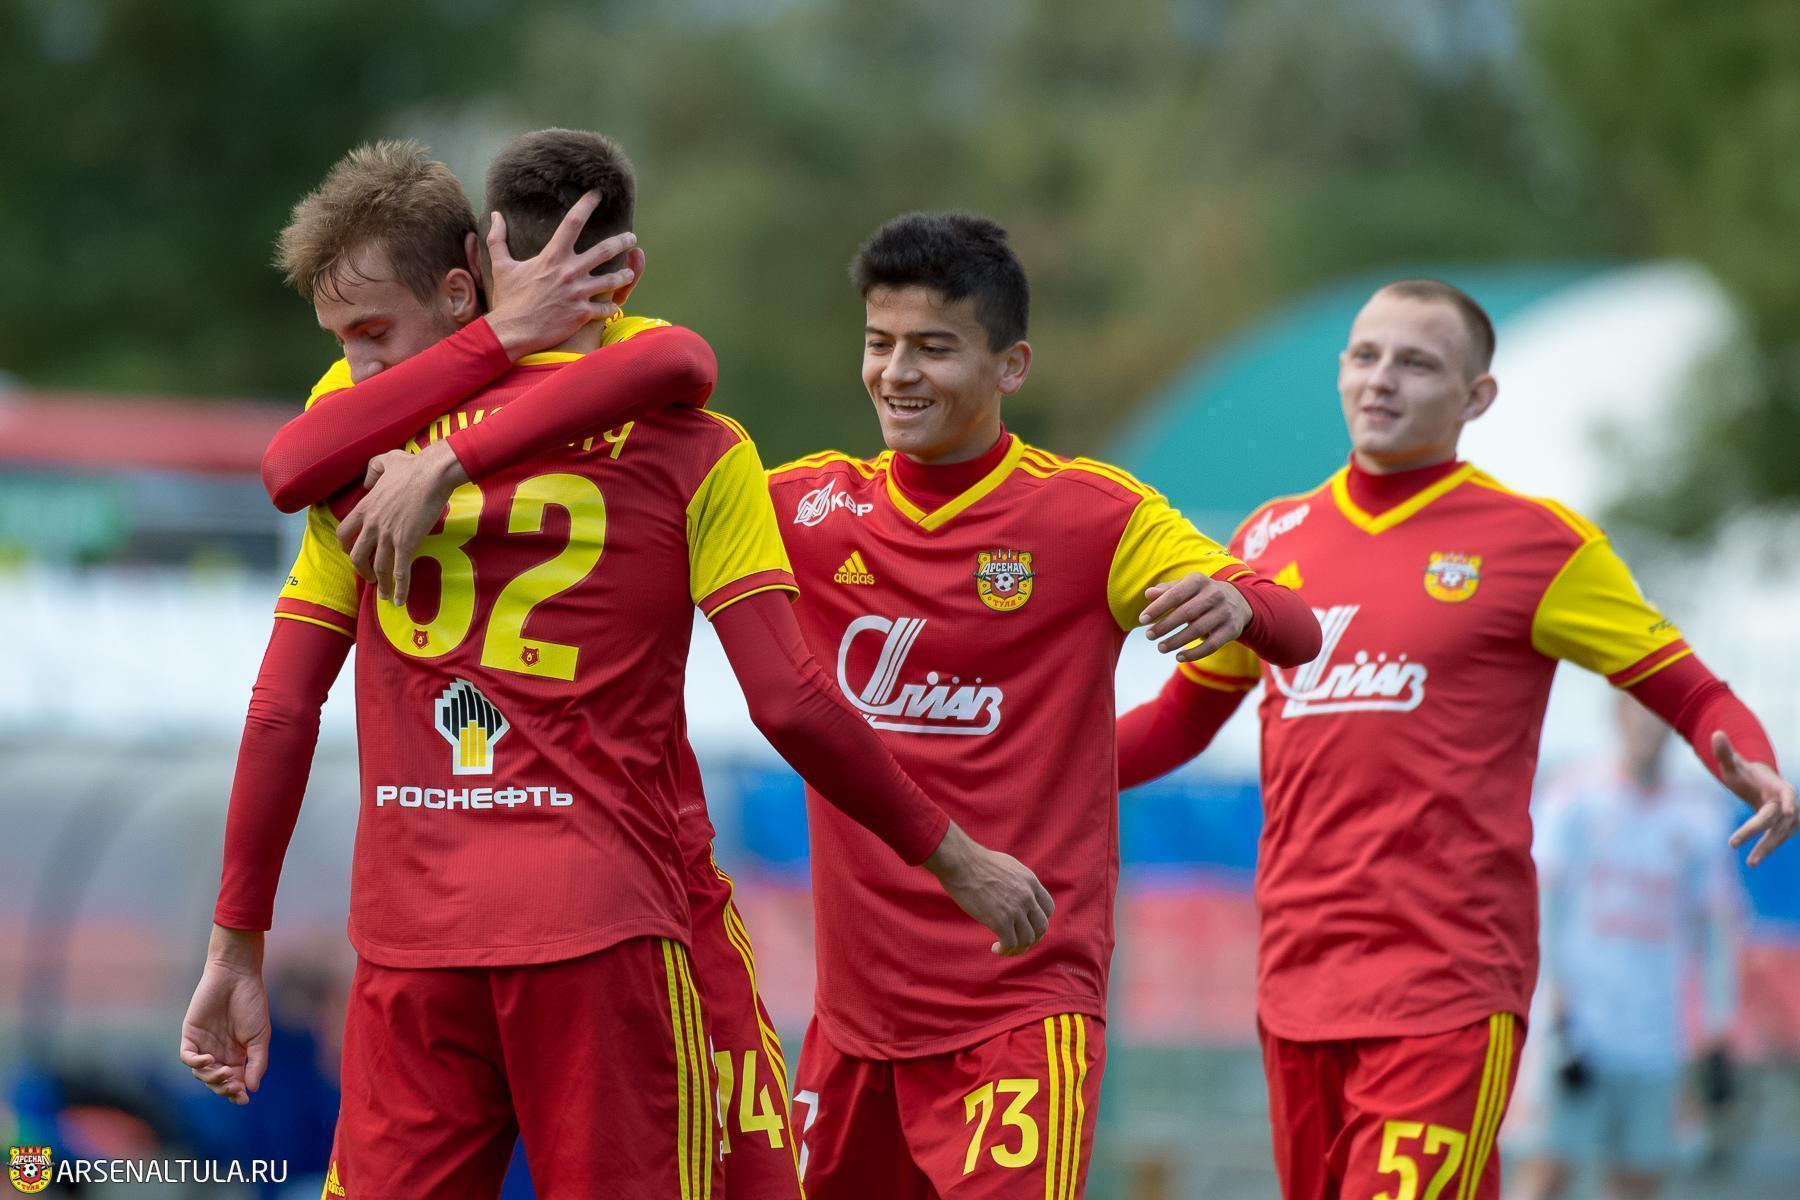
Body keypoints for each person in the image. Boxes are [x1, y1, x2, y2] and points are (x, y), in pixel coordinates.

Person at [300, 209, 1323, 1197]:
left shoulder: (1093, 514)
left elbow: (1297, 625)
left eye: (934, 348)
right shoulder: (807, 506)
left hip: (1019, 1010)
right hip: (853, 1029)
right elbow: (621, 490)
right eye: (880, 344)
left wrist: (1241, 603)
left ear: (1011, 366)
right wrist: (446, 456)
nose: (898, 373)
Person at [181, 135, 1051, 1200]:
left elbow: (280, 707)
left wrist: (236, 943)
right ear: (622, 269)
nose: (362, 362)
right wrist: (952, 854)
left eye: (371, 333)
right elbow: (790, 701)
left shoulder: (360, 444)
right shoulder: (696, 445)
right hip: (601, 927)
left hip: (414, 940)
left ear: (479, 267)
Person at [1115, 278, 1797, 1200]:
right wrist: (1032, 771)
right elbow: (1179, 719)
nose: (1382, 379)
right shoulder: (1270, 540)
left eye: (1417, 363)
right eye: (1365, 356)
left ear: (1477, 396)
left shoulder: (1537, 545)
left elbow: (1691, 688)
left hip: (1449, 985)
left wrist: (1754, 759)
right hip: (1298, 982)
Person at [1511, 696, 1744, 1200]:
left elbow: (1716, 934)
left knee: (1638, 1181)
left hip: (1656, 1041)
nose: (1649, 729)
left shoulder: (1700, 817)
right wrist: (1550, 1010)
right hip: (1576, 1034)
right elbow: (1540, 914)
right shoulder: (1573, 797)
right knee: (1545, 1173)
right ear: (1618, 716)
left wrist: (1718, 1029)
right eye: (1640, 714)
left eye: (1660, 719)